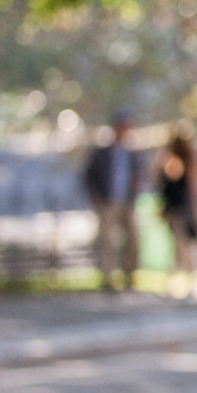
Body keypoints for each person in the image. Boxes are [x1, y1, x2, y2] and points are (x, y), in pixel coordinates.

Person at [82, 110, 145, 291]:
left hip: (127, 203)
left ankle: (129, 275)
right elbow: (89, 177)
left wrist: (136, 192)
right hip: (107, 202)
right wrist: (96, 199)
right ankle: (108, 278)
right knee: (107, 241)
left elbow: (140, 176)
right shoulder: (102, 153)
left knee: (133, 239)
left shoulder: (133, 154)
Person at [157, 131, 197, 297]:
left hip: (181, 209)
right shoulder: (171, 161)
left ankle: (186, 281)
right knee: (179, 247)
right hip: (176, 209)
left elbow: (190, 188)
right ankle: (179, 281)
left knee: (182, 247)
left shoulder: (181, 162)